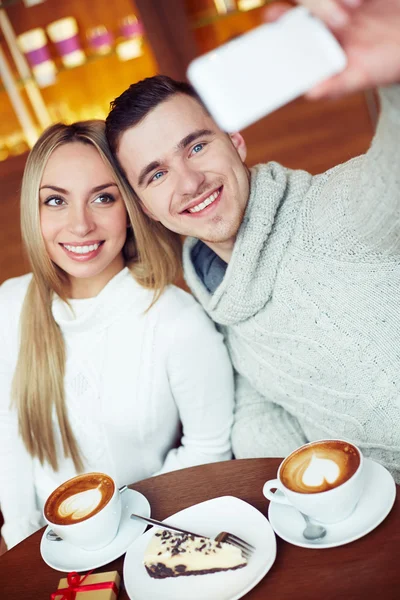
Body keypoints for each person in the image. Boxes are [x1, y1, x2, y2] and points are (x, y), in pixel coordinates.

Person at [105, 0, 400, 483]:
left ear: (235, 141)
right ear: (143, 206)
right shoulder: (216, 295)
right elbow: (253, 409)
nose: (189, 182)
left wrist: (394, 75)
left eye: (197, 146)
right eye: (157, 174)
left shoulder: (331, 211)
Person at [0, 120, 234, 552]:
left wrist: (128, 527)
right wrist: (19, 537)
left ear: (131, 205)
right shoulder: (10, 306)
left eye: (103, 198)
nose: (80, 225)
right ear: (33, 213)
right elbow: (10, 434)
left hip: (145, 539)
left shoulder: (176, 322)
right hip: (42, 548)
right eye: (55, 201)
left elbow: (209, 449)